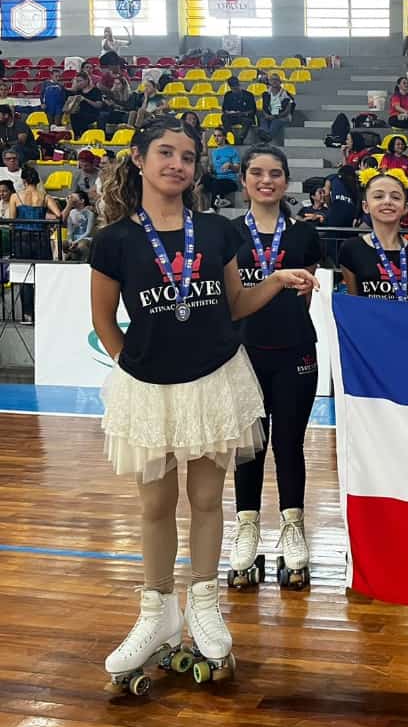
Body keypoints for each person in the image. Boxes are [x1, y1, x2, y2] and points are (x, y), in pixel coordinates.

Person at [90, 116, 316, 695]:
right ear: (139, 158)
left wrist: (278, 281)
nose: (177, 164)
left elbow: (236, 304)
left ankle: (206, 603)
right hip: (151, 391)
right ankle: (156, 611)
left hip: (216, 381)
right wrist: (139, 367)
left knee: (208, 500)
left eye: (187, 157)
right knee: (154, 505)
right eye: (165, 153)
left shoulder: (216, 232)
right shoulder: (114, 239)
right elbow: (102, 320)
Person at [229, 145, 323, 591]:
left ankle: (292, 528)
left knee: (289, 444)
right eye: (257, 172)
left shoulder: (305, 235)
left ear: (286, 181)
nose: (266, 180)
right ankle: (246, 527)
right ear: (244, 178)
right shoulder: (226, 234)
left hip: (296, 352)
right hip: (243, 355)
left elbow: (302, 295)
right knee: (249, 447)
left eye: (276, 174)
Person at [339, 168, 408, 301]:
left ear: (405, 207)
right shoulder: (351, 249)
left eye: (395, 197)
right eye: (378, 196)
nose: (387, 201)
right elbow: (355, 304)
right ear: (366, 206)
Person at [9, 165, 62, 323]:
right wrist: (46, 223)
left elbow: (12, 220)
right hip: (41, 238)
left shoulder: (15, 197)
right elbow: (59, 215)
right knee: (43, 275)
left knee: (25, 277)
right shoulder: (45, 196)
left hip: (21, 238)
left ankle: (28, 315)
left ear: (24, 180)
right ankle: (44, 312)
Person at [208, 128, 241, 208]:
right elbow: (215, 171)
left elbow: (237, 169)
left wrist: (230, 165)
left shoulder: (232, 150)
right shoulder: (214, 152)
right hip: (218, 179)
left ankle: (213, 207)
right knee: (205, 178)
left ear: (225, 137)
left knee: (216, 184)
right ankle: (222, 201)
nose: (216, 138)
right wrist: (211, 170)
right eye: (214, 136)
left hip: (230, 180)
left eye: (219, 136)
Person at [64, 74, 105, 138]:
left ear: (86, 81)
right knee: (73, 115)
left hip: (92, 113)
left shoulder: (95, 91)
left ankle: (82, 135)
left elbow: (98, 105)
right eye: (77, 81)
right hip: (79, 112)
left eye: (80, 81)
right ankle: (76, 136)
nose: (78, 83)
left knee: (80, 116)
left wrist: (85, 99)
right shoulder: (78, 91)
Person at [259, 75, 294, 146]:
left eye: (276, 80)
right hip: (270, 115)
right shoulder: (266, 94)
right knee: (263, 118)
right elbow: (264, 107)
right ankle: (264, 132)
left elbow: (287, 111)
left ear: (280, 82)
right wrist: (267, 115)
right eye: (272, 80)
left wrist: (275, 116)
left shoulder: (286, 94)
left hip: (282, 116)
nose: (274, 81)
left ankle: (267, 137)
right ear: (269, 82)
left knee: (276, 121)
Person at [222, 76, 258, 145]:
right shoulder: (227, 95)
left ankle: (240, 138)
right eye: (233, 88)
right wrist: (230, 113)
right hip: (233, 117)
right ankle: (231, 136)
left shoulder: (248, 95)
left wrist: (242, 113)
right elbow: (224, 110)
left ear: (239, 84)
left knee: (248, 121)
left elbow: (253, 110)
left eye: (236, 87)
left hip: (244, 117)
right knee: (224, 117)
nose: (235, 90)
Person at [63, 190, 95, 261]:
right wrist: (70, 239)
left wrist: (76, 241)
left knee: (81, 245)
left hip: (86, 238)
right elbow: (70, 230)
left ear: (82, 200)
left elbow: (88, 232)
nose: (71, 199)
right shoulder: (72, 212)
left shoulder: (89, 213)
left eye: (73, 197)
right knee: (64, 243)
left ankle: (83, 261)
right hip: (74, 238)